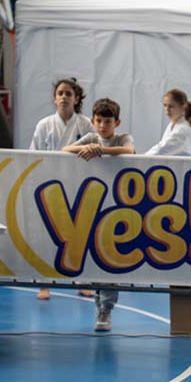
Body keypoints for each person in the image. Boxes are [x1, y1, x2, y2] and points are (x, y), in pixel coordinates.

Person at [62, 98, 136, 332]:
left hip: (118, 208)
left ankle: (107, 308)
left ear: (117, 123)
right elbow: (65, 150)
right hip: (94, 207)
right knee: (96, 259)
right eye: (99, 121)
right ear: (93, 121)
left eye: (108, 121)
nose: (103, 126)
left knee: (111, 260)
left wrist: (101, 150)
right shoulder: (90, 138)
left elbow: (129, 150)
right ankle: (99, 305)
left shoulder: (122, 138)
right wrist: (87, 148)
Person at [29, 77, 95, 300]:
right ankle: (43, 284)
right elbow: (34, 156)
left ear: (76, 99)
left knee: (81, 234)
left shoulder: (86, 124)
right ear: (54, 98)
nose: (64, 97)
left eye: (69, 93)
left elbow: (96, 152)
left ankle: (83, 281)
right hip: (50, 184)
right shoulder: (44, 125)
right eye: (60, 93)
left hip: (79, 183)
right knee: (47, 234)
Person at [145, 89, 191, 157]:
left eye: (171, 106)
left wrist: (140, 157)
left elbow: (161, 149)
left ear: (183, 106)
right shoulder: (172, 125)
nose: (167, 110)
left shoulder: (183, 130)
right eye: (165, 105)